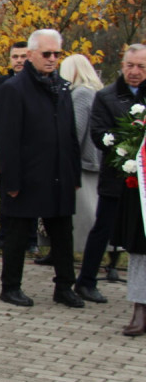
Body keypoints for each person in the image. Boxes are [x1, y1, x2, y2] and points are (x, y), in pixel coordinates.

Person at [0, 29, 83, 308]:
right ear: (31, 55)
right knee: (18, 233)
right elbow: (7, 140)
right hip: (28, 174)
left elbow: (70, 133)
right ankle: (10, 286)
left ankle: (64, 286)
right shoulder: (13, 89)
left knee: (62, 232)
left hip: (59, 172)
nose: (52, 58)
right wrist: (11, 181)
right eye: (47, 53)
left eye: (57, 53)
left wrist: (74, 173)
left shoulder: (62, 88)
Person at [77, 44, 146, 306]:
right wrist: (127, 148)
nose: (134, 71)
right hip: (117, 176)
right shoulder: (106, 96)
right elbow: (98, 134)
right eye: (130, 65)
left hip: (144, 181)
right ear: (122, 66)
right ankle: (86, 281)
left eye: (141, 67)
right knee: (103, 229)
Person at [0, 41, 28, 250]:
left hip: (30, 151)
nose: (19, 61)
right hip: (4, 151)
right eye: (15, 57)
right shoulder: (0, 84)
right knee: (5, 194)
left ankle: (30, 239)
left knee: (31, 194)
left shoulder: (37, 84)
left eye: (23, 56)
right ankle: (4, 236)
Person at [60, 55, 104, 260]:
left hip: (83, 161)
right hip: (94, 158)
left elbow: (76, 130)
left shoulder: (80, 94)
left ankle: (87, 251)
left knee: (86, 211)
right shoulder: (96, 92)